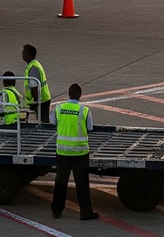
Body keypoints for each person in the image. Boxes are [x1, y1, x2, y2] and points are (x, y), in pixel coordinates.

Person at [49, 84, 99, 221]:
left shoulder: (59, 108)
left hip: (62, 152)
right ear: (80, 95)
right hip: (80, 153)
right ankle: (85, 212)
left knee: (60, 182)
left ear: (68, 94)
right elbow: (89, 127)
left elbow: (53, 122)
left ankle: (57, 211)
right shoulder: (84, 110)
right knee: (82, 184)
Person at [22, 44, 52, 123]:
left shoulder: (33, 68)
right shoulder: (34, 65)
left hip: (40, 100)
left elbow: (34, 87)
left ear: (28, 54)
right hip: (42, 98)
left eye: (23, 52)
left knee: (43, 122)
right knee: (42, 121)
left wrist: (35, 102)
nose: (22, 54)